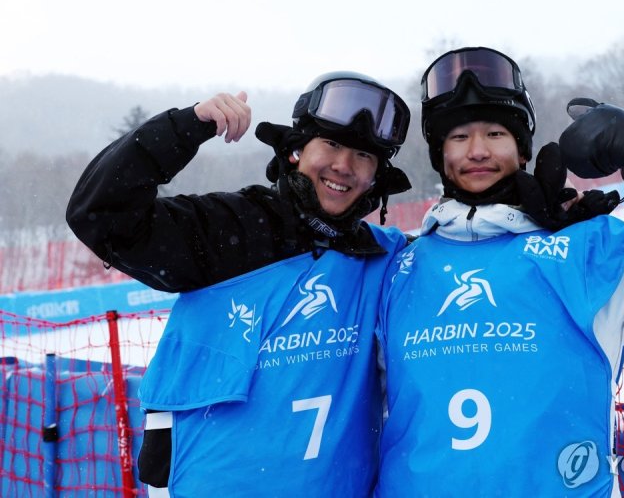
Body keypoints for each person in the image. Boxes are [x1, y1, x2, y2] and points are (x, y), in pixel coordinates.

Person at [374, 46, 624, 496]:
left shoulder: (582, 250)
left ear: (522, 148)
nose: (476, 151)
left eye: (495, 132)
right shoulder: (396, 268)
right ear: (440, 153)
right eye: (458, 137)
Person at [66, 71, 413, 497]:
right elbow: (101, 214)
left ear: (377, 178)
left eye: (363, 155)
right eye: (332, 144)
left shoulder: (383, 257)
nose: (344, 165)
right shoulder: (231, 230)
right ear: (295, 152)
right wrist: (185, 126)